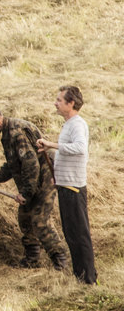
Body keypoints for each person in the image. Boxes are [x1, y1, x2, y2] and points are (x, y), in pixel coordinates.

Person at [0, 105, 69, 270]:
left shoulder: (16, 133)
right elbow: (13, 164)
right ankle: (32, 258)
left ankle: (60, 260)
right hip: (32, 180)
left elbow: (31, 164)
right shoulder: (8, 133)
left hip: (45, 177)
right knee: (25, 219)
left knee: (40, 220)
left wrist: (26, 192)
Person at [37, 86, 97, 284]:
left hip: (73, 188)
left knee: (79, 235)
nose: (55, 103)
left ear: (71, 103)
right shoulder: (69, 124)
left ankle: (88, 279)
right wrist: (58, 177)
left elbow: (80, 148)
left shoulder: (77, 124)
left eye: (59, 100)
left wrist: (52, 144)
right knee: (71, 234)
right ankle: (80, 276)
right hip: (66, 186)